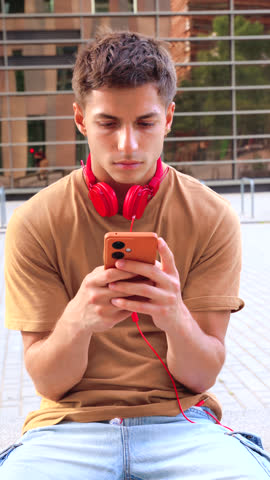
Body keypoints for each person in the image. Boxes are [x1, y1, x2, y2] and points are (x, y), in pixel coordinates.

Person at [2, 30, 270, 479]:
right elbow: (49, 383)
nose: (127, 145)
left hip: (183, 424)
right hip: (67, 428)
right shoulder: (35, 221)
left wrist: (174, 316)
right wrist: (78, 320)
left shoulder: (211, 216)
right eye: (108, 123)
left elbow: (202, 376)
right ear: (81, 120)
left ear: (167, 118)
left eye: (144, 123)